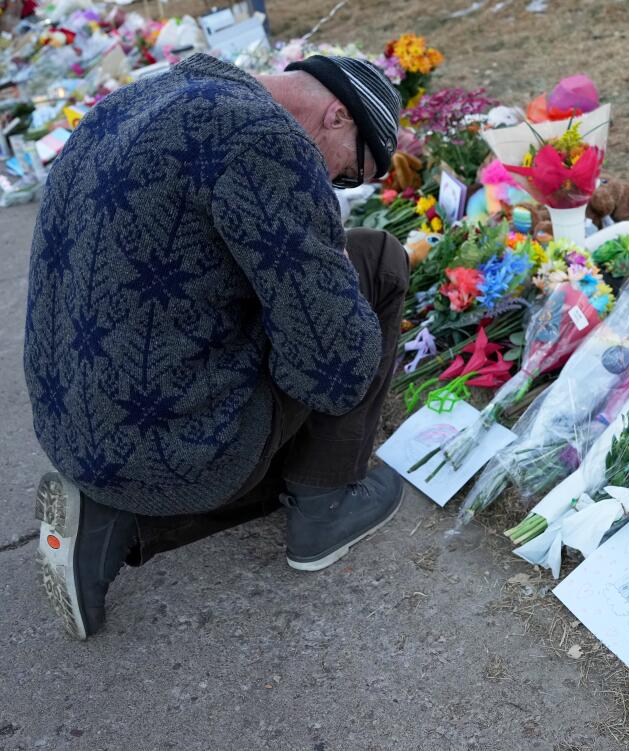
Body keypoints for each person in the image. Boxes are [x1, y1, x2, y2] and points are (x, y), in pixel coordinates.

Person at [24, 53, 413, 640]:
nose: (338, 185)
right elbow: (332, 371)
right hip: (161, 435)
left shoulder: (139, 98)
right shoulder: (266, 141)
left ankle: (114, 514)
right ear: (338, 117)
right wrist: (331, 285)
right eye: (352, 174)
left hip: (71, 420)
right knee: (378, 259)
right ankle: (325, 502)